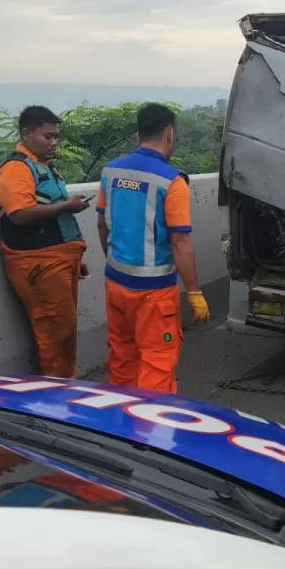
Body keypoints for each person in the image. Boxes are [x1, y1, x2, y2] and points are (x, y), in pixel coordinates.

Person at [96, 103, 210, 393]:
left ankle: (119, 425)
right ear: (169, 134)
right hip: (153, 293)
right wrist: (194, 292)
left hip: (115, 284)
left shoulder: (110, 173)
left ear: (138, 135)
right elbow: (180, 241)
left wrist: (113, 260)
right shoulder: (171, 181)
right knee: (156, 363)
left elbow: (102, 225)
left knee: (122, 357)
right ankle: (149, 433)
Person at [0, 105, 91, 378]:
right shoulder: (16, 168)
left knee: (65, 329)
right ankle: (55, 396)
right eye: (47, 136)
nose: (54, 142)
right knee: (54, 332)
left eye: (56, 136)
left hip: (60, 261)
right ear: (26, 134)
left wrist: (74, 260)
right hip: (38, 263)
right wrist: (66, 207)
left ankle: (65, 386)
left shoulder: (43, 167)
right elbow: (20, 214)